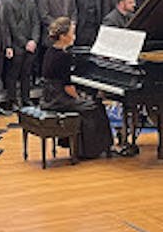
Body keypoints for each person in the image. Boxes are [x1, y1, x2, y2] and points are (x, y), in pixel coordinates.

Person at [40, 17, 113, 159]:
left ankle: (85, 147)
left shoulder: (50, 51)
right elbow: (68, 88)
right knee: (95, 106)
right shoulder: (63, 56)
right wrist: (79, 97)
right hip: (58, 100)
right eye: (72, 33)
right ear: (63, 36)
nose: (74, 36)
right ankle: (93, 150)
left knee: (91, 103)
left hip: (48, 96)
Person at [3, 0, 39, 110]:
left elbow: (36, 23)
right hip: (17, 45)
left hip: (31, 44)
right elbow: (11, 25)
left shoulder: (30, 1)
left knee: (27, 73)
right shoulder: (8, 2)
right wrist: (25, 43)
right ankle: (12, 100)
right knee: (13, 74)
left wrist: (34, 40)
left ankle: (26, 98)